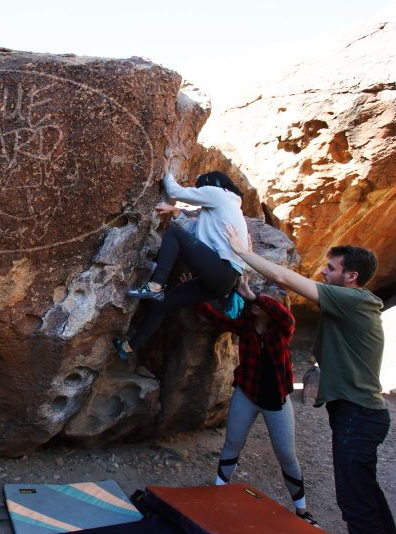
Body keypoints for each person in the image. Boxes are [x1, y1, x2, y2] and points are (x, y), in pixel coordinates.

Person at [225, 226, 394, 534]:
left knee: (355, 503)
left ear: (351, 276)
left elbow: (286, 279)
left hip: (358, 416)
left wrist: (243, 252)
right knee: (366, 495)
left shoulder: (352, 300)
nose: (323, 271)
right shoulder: (355, 303)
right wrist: (253, 297)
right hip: (359, 414)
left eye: (331, 268)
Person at [196, 274, 318, 526]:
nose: (259, 305)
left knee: (286, 455)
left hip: (276, 400)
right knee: (232, 444)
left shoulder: (282, 330)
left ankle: (302, 511)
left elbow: (286, 317)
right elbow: (217, 318)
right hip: (247, 393)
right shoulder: (247, 326)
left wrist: (254, 296)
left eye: (267, 302)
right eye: (260, 301)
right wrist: (193, 295)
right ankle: (216, 493)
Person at [114, 170, 248, 359]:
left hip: (221, 270)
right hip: (222, 281)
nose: (202, 191)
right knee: (162, 305)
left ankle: (155, 285)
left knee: (173, 234)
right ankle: (128, 347)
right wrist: (176, 212)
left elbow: (175, 192)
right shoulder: (226, 208)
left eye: (202, 187)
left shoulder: (219, 194)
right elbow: (194, 233)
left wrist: (167, 170)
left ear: (211, 184)